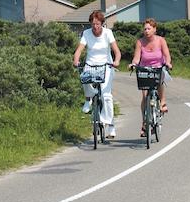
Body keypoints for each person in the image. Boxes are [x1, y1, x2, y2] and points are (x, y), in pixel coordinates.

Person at [72, 10, 122, 139]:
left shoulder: (108, 33)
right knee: (84, 78)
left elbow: (117, 51)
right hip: (91, 64)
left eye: (98, 24)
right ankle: (88, 99)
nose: (95, 27)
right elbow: (79, 50)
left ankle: (110, 124)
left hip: (106, 65)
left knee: (106, 95)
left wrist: (116, 61)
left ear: (102, 24)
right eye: (93, 24)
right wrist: (76, 60)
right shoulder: (86, 33)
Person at [129, 18, 173, 137]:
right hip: (145, 69)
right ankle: (144, 121)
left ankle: (162, 102)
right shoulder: (140, 42)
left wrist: (168, 63)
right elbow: (137, 58)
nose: (146, 31)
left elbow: (167, 56)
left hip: (158, 67)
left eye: (149, 28)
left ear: (154, 29)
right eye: (145, 29)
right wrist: (133, 64)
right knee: (144, 97)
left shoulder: (161, 40)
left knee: (160, 80)